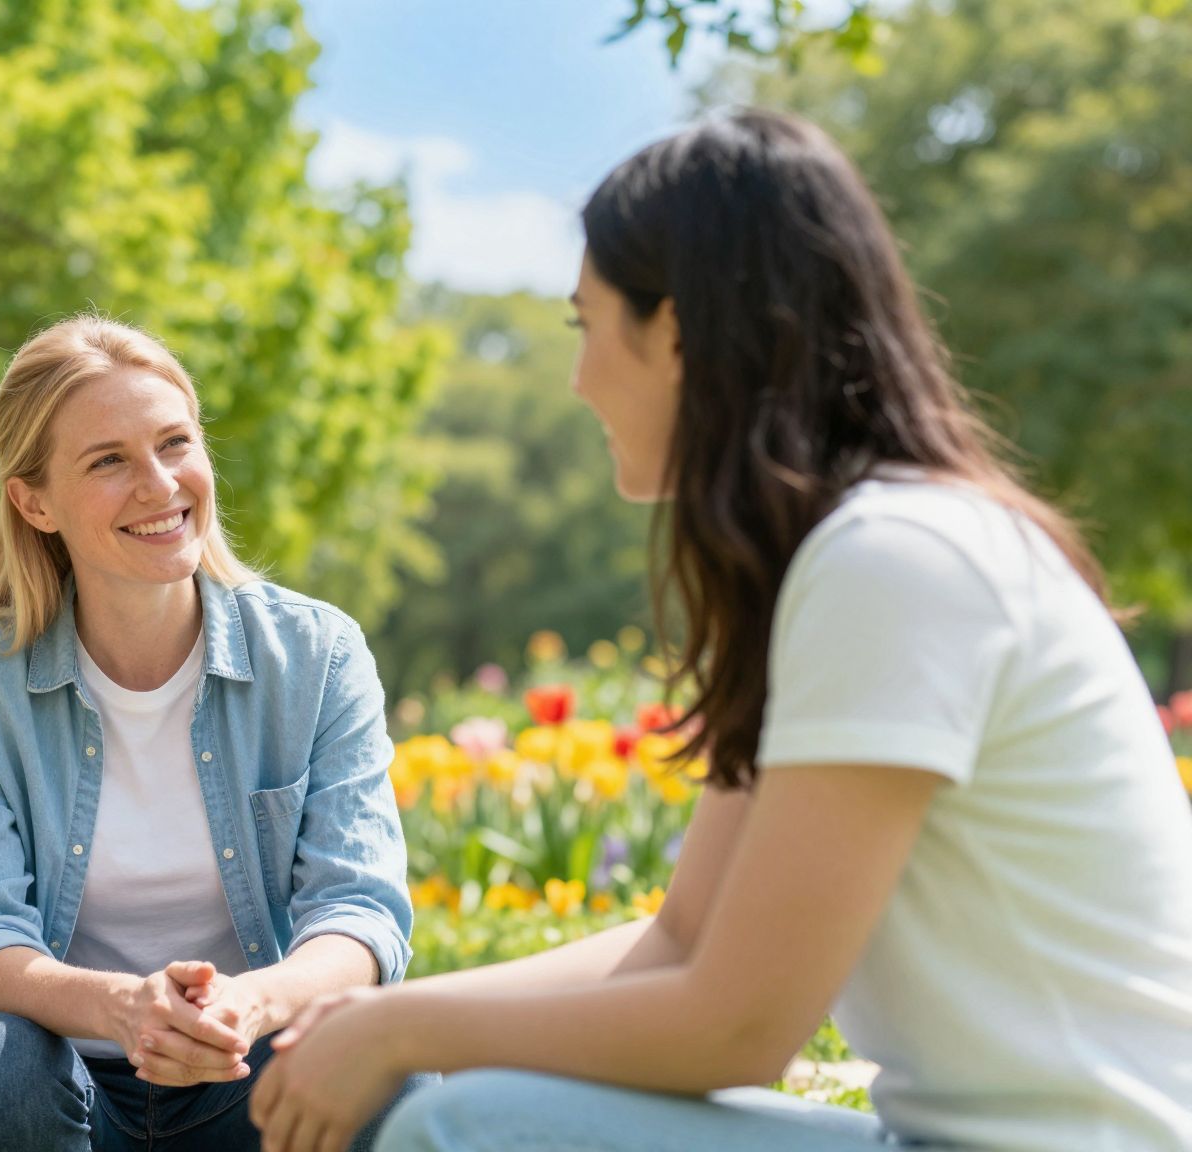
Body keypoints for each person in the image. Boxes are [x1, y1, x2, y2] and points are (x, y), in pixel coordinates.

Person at [250, 109, 1192, 1152]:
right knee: (452, 1099)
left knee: (465, 1130)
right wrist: (380, 1023)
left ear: (681, 333)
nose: (575, 379)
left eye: (585, 325)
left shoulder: (894, 561)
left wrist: (403, 1028)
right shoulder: (851, 559)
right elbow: (683, 938)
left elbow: (740, 1026)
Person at [0, 315, 427, 1151]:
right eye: (108, 460)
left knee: (381, 1060)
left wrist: (247, 1005)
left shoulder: (317, 655)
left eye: (174, 443)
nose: (159, 484)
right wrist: (123, 1008)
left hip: (254, 1071)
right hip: (60, 1081)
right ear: (33, 500)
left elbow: (360, 910)